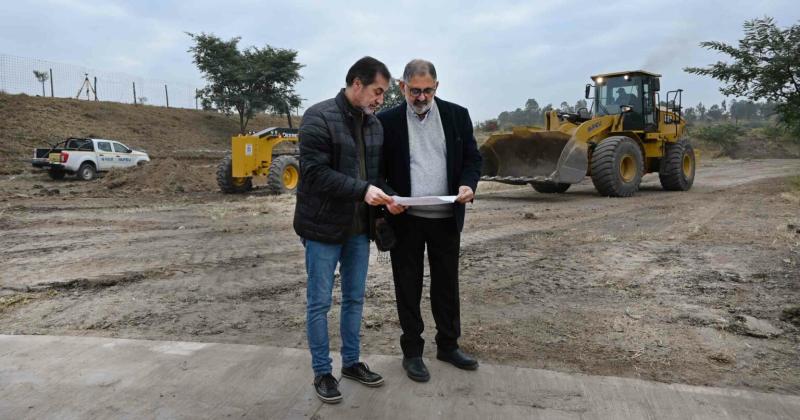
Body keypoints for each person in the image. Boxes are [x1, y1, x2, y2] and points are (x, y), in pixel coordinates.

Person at [293, 56, 397, 404]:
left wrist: (387, 197)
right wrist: (362, 190)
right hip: (323, 228)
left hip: (358, 230)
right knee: (319, 303)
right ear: (357, 84)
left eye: (382, 94)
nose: (380, 100)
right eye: (377, 91)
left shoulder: (375, 125)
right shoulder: (318, 117)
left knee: (354, 299)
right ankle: (323, 371)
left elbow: (374, 177)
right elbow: (315, 173)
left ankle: (351, 363)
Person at [378, 59, 482, 383]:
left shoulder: (457, 116)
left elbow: (472, 160)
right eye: (414, 91)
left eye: (427, 91)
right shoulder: (387, 122)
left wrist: (468, 185)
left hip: (446, 217)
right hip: (405, 218)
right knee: (407, 287)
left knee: (447, 285)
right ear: (402, 87)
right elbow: (375, 171)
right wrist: (389, 195)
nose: (421, 98)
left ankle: (448, 345)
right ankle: (412, 352)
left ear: (437, 86)